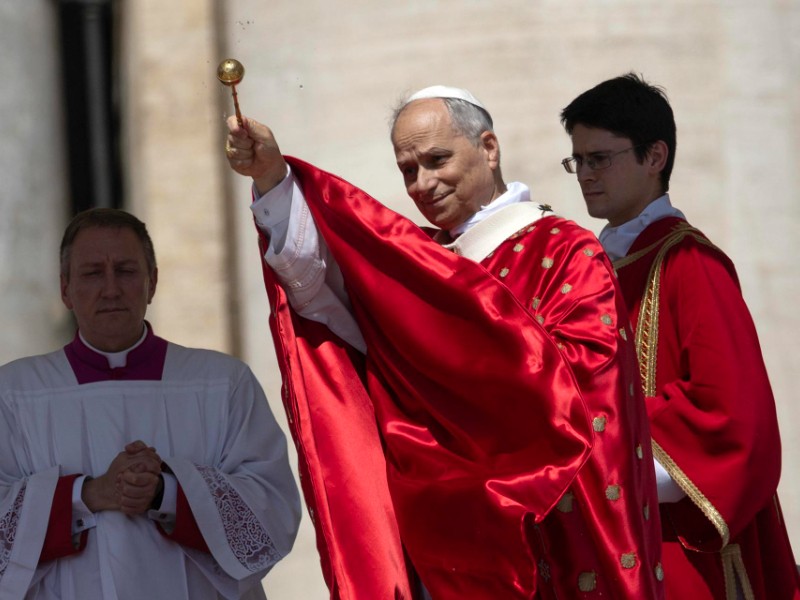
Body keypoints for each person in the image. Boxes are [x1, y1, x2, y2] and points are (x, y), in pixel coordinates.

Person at [225, 86, 663, 599]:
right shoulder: (413, 264)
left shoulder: (566, 250)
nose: (422, 184)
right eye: (408, 170)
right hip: (436, 551)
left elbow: (583, 393)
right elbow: (315, 284)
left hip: (540, 542)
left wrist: (459, 340)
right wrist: (273, 179)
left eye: (437, 160)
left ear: (489, 148)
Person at [560, 73, 800, 600]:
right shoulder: (589, 268)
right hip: (609, 544)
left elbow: (739, 421)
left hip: (683, 552)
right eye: (578, 160)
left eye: (600, 158)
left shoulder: (693, 264)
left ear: (655, 156)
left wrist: (609, 453)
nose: (585, 174)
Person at [0, 208, 301, 600]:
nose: (110, 289)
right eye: (92, 273)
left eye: (125, 270)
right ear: (65, 289)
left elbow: (273, 512)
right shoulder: (14, 393)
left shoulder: (222, 383)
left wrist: (166, 493)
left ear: (152, 282)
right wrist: (88, 495)